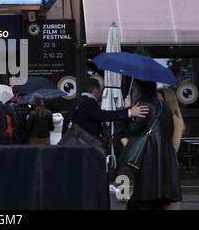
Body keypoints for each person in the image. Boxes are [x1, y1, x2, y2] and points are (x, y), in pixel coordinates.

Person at [126, 79, 182, 210]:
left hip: (148, 163)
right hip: (165, 165)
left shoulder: (143, 104)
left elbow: (133, 130)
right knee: (157, 204)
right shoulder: (165, 107)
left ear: (140, 87)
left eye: (134, 86)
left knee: (141, 202)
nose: (133, 89)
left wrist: (128, 110)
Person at [64, 78, 149, 142]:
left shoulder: (76, 103)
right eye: (101, 89)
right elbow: (103, 115)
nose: (102, 93)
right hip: (85, 148)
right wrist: (129, 112)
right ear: (95, 90)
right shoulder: (88, 102)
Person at [157, 87, 185, 210]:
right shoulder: (158, 119)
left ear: (168, 101)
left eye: (159, 100)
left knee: (170, 203)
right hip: (156, 167)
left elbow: (174, 148)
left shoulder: (176, 120)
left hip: (168, 168)